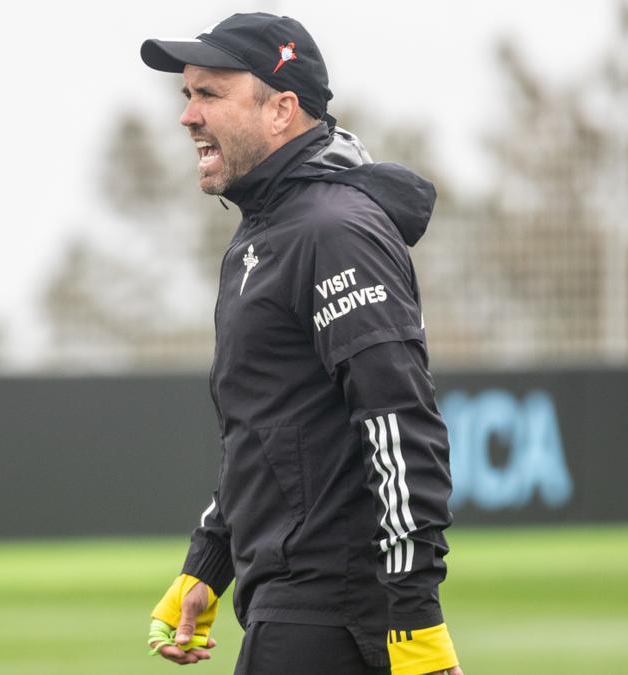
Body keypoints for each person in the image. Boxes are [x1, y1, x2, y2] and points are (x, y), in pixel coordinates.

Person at [140, 12, 463, 675]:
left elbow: (399, 425)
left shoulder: (330, 229)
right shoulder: (269, 232)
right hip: (291, 607)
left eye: (210, 94)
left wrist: (417, 623)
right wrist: (208, 563)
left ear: (282, 109)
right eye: (186, 95)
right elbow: (270, 429)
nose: (188, 116)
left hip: (332, 615)